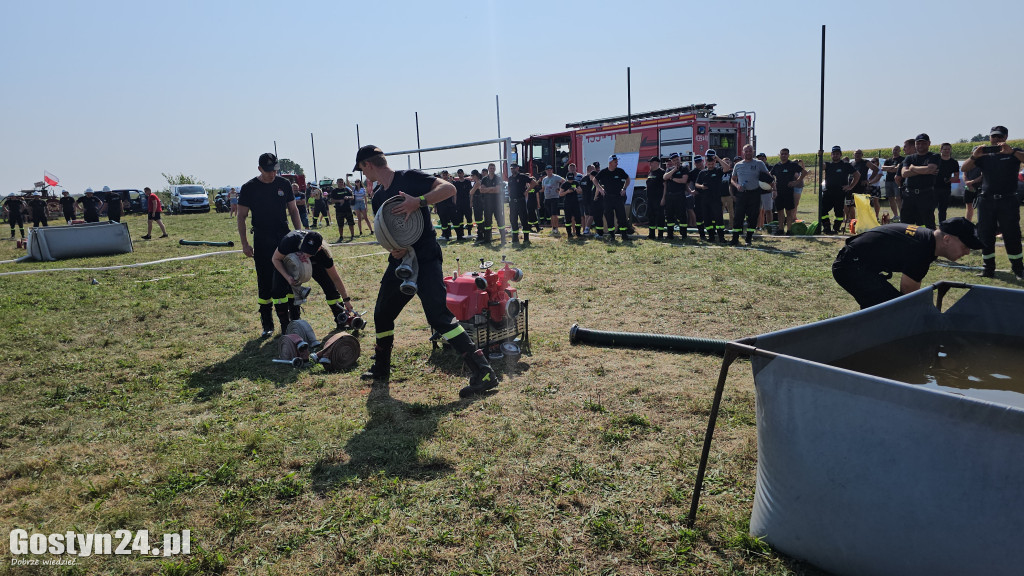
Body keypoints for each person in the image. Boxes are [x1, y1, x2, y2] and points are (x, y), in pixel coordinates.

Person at [353, 145, 498, 397]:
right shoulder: (377, 197)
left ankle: (484, 373)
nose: (364, 175)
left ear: (368, 164)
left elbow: (449, 189)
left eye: (363, 169)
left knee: (439, 317)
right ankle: (381, 368)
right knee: (382, 313)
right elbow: (388, 231)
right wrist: (394, 249)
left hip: (427, 258)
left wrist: (418, 201)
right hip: (401, 262)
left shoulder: (409, 178)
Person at [832, 218, 981, 309]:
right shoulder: (923, 248)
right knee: (891, 310)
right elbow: (908, 296)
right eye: (965, 246)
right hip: (850, 266)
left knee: (887, 308)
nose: (967, 252)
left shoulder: (927, 240)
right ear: (947, 239)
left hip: (857, 264)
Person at [237, 152, 303, 337]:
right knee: (265, 282)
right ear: (259, 169)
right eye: (268, 171)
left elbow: (293, 210)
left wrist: (299, 235)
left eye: (274, 170)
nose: (272, 174)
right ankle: (267, 323)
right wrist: (245, 244)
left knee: (290, 277)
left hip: (284, 237)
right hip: (262, 239)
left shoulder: (284, 184)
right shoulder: (249, 187)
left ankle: (294, 318)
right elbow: (241, 217)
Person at [961, 125, 1024, 280]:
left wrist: (1013, 152)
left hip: (1008, 200)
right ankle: (988, 269)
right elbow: (964, 167)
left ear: (1006, 138)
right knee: (985, 235)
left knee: (1012, 234)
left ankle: (1018, 269)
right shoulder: (984, 154)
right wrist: (975, 156)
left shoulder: (1013, 151)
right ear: (990, 137)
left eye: (1000, 137)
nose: (996, 139)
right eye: (994, 136)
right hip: (986, 201)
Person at [271, 229, 355, 327]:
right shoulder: (290, 241)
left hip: (315, 263)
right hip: (286, 262)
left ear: (318, 248)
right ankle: (286, 325)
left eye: (310, 252)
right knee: (277, 290)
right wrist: (287, 277)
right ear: (303, 242)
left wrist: (346, 300)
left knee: (330, 286)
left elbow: (335, 278)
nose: (306, 255)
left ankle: (341, 319)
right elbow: (275, 259)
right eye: (304, 250)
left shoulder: (324, 254)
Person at [731, 144, 774, 245]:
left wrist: (773, 187)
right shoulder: (738, 165)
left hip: (754, 193)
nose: (748, 153)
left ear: (753, 151)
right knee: (738, 217)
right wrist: (737, 186)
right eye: (746, 151)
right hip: (741, 194)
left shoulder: (759, 163)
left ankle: (749, 239)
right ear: (743, 152)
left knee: (753, 217)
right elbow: (732, 180)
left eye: (750, 151)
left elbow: (768, 176)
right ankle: (735, 239)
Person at [901, 133, 940, 229]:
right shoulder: (909, 158)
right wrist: (924, 170)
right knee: (905, 223)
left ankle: (927, 242)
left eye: (923, 143)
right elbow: (904, 174)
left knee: (927, 224)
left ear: (929, 143)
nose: (920, 145)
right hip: (909, 195)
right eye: (918, 143)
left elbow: (930, 169)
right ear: (915, 144)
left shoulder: (934, 156)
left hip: (926, 194)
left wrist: (913, 168)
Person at [820, 146, 859, 234]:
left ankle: (836, 228)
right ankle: (826, 227)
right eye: (833, 154)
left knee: (838, 212)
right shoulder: (828, 165)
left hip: (840, 192)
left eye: (837, 154)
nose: (835, 155)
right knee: (822, 209)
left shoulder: (845, 165)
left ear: (840, 155)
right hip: (828, 191)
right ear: (831, 155)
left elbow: (857, 175)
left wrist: (850, 186)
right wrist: (820, 156)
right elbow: (820, 167)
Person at [695, 150, 731, 242]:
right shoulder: (702, 172)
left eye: (712, 164)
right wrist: (701, 186)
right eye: (709, 164)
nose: (711, 166)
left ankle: (721, 237)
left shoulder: (718, 171)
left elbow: (727, 168)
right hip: (705, 199)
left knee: (719, 219)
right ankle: (711, 237)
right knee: (707, 219)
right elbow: (696, 184)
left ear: (714, 163)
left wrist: (718, 159)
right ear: (706, 163)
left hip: (716, 199)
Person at [595, 154, 631, 240]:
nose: (617, 163)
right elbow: (594, 179)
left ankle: (624, 235)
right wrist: (600, 189)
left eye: (617, 162)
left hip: (618, 197)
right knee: (609, 217)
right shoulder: (604, 172)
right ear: (610, 162)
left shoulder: (620, 171)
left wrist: (624, 188)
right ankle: (612, 235)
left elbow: (628, 179)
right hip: (608, 198)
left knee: (622, 216)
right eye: (615, 162)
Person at [770, 148, 803, 234]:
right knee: (780, 211)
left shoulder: (792, 165)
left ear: (788, 155)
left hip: (789, 191)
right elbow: (770, 176)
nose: (784, 155)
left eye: (785, 154)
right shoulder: (777, 166)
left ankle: (789, 230)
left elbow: (804, 172)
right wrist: (773, 187)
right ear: (779, 155)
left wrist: (797, 182)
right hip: (778, 192)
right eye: (782, 154)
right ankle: (780, 229)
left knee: (789, 212)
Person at [506, 163, 535, 243]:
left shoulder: (522, 176)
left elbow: (534, 183)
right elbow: (509, 187)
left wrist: (527, 191)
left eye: (514, 168)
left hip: (520, 201)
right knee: (513, 219)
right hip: (512, 202)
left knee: (524, 219)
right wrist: (509, 192)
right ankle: (515, 239)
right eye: (511, 168)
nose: (513, 170)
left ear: (518, 168)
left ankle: (526, 239)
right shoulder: (510, 178)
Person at [662, 154, 687, 240]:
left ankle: (684, 234)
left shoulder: (684, 169)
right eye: (674, 160)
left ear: (679, 159)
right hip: (670, 196)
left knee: (682, 215)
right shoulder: (669, 169)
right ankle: (670, 235)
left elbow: (684, 180)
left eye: (677, 159)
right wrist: (674, 170)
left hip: (680, 195)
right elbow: (665, 177)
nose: (676, 161)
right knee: (669, 216)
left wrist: (672, 179)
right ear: (672, 161)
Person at [479, 163, 506, 244]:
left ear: (495, 169)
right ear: (488, 169)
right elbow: (481, 190)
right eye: (490, 168)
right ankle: (487, 239)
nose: (492, 169)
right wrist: (492, 189)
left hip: (496, 203)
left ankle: (503, 239)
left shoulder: (498, 178)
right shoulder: (484, 179)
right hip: (487, 204)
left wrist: (487, 189)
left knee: (500, 221)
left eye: (493, 168)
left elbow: (497, 190)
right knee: (487, 222)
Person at [935, 143, 960, 223]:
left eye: (948, 149)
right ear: (941, 150)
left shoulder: (954, 162)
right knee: (930, 208)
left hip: (946, 188)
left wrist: (950, 179)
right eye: (945, 149)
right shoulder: (935, 161)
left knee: (943, 209)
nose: (947, 151)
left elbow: (956, 177)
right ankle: (931, 226)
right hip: (933, 187)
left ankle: (942, 226)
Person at [559, 164, 583, 238]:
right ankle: (569, 233)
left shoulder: (576, 183)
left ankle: (578, 233)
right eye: (569, 179)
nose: (570, 181)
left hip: (575, 202)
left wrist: (576, 189)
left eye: (571, 179)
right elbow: (560, 194)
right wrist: (567, 192)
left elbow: (580, 191)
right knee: (568, 218)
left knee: (578, 218)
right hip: (567, 203)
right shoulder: (564, 184)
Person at [880, 145, 904, 221]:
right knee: (891, 198)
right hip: (888, 181)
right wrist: (893, 167)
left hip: (897, 180)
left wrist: (890, 168)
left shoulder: (902, 159)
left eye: (897, 150)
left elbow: (897, 169)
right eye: (894, 150)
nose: (895, 151)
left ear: (900, 151)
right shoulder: (888, 160)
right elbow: (883, 168)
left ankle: (902, 215)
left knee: (898, 198)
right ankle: (895, 215)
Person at [645, 156, 666, 239]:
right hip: (650, 199)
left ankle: (660, 235)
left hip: (658, 199)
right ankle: (651, 234)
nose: (650, 164)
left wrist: (663, 198)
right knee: (651, 216)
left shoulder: (661, 172)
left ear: (657, 163)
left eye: (651, 162)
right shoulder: (650, 172)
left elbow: (665, 186)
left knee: (660, 217)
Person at [540, 165, 565, 236]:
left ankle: (556, 228)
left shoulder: (556, 177)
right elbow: (543, 189)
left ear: (552, 170)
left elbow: (564, 181)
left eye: (550, 170)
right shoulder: (544, 179)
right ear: (546, 171)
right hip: (547, 198)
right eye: (548, 170)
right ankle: (553, 228)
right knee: (551, 215)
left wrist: (560, 189)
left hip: (554, 197)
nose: (549, 171)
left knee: (554, 214)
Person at [453, 169, 474, 237]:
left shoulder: (467, 182)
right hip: (459, 204)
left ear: (463, 173)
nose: (460, 174)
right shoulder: (456, 183)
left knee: (469, 218)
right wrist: (455, 204)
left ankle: (469, 232)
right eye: (459, 173)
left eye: (461, 173)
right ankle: (461, 233)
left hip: (467, 203)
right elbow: (455, 195)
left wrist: (471, 202)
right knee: (460, 219)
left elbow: (471, 193)